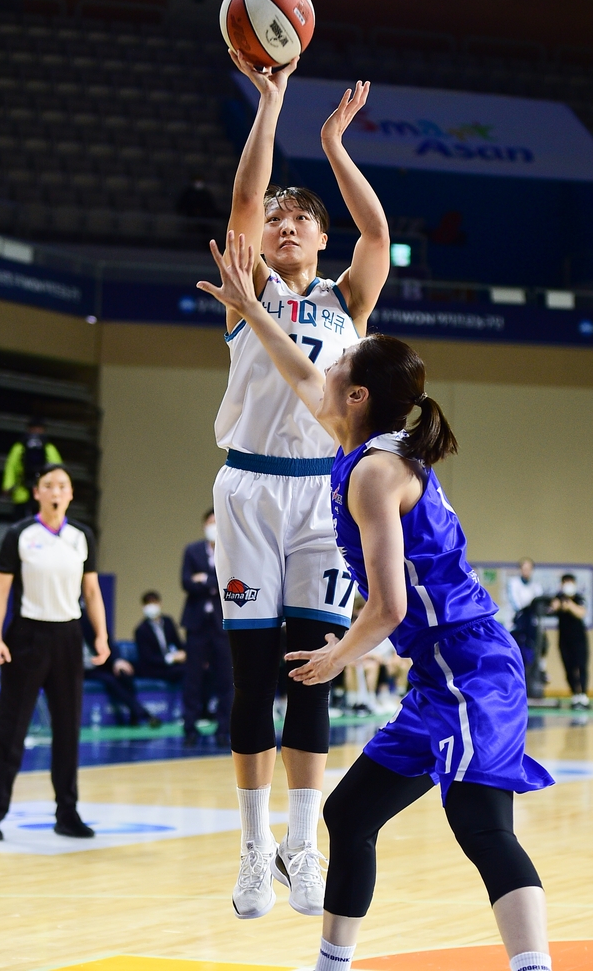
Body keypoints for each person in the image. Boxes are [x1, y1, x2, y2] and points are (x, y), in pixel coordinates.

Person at [198, 232, 555, 971]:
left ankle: (533, 966)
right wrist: (249, 309)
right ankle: (331, 964)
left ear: (356, 395)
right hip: (444, 674)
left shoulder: (374, 472)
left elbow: (389, 607)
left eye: (341, 365)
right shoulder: (352, 436)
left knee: (482, 828)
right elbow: (297, 368)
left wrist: (337, 654)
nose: (327, 365)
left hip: (467, 666)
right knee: (349, 813)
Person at [213, 48, 390, 920]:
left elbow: (378, 236)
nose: (283, 224)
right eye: (277, 218)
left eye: (298, 220)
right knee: (251, 677)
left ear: (319, 242)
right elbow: (245, 199)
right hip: (246, 492)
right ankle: (252, 849)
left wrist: (332, 143)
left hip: (319, 496)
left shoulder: (344, 304)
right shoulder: (245, 289)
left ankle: (299, 843)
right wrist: (273, 103)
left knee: (310, 674)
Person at [0, 463, 109, 842]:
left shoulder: (82, 536)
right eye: (48, 485)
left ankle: (67, 813)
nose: (55, 491)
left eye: (62, 486)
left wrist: (100, 636)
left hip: (68, 636)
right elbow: (0, 592)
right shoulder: (19, 534)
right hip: (27, 636)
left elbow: (93, 592)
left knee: (68, 731)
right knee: (11, 729)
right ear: (37, 493)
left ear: (70, 495)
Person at [180, 508, 233, 747]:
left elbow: (230, 583)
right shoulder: (192, 550)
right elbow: (186, 582)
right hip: (197, 625)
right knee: (193, 679)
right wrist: (212, 582)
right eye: (209, 522)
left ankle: (224, 729)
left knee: (225, 678)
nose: (213, 526)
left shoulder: (230, 550)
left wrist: (206, 580)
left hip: (222, 625)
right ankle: (190, 728)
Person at [81, 612, 161, 728]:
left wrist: (117, 660)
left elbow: (108, 642)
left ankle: (135, 717)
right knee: (110, 680)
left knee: (125, 673)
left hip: (99, 663)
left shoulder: (88, 620)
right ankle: (144, 714)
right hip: (82, 669)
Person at [134, 591, 194, 735]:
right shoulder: (140, 630)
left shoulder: (168, 622)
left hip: (172, 665)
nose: (151, 607)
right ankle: (187, 713)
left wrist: (184, 654)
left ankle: (203, 711)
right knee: (185, 671)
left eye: (153, 603)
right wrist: (171, 659)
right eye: (148, 604)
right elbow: (147, 658)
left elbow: (178, 643)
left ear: (159, 604)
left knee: (195, 669)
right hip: (154, 668)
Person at [2, 418, 62, 522]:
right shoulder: (20, 447)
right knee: (20, 522)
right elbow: (11, 467)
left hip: (42, 493)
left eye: (39, 429)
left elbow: (58, 470)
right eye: (34, 429)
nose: (36, 432)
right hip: (22, 491)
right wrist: (8, 485)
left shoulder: (48, 448)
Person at [507, 558, 548, 697]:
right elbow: (517, 604)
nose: (526, 571)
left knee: (542, 646)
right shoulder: (513, 584)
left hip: (532, 627)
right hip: (518, 626)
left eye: (529, 568)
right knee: (519, 655)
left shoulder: (536, 586)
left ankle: (540, 673)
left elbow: (539, 605)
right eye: (524, 568)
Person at [549, 574, 589, 710]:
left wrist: (570, 605)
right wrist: (559, 604)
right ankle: (574, 694)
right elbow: (552, 608)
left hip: (579, 639)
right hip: (564, 639)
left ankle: (583, 694)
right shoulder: (558, 598)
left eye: (570, 582)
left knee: (581, 666)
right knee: (568, 668)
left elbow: (581, 613)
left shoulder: (579, 599)